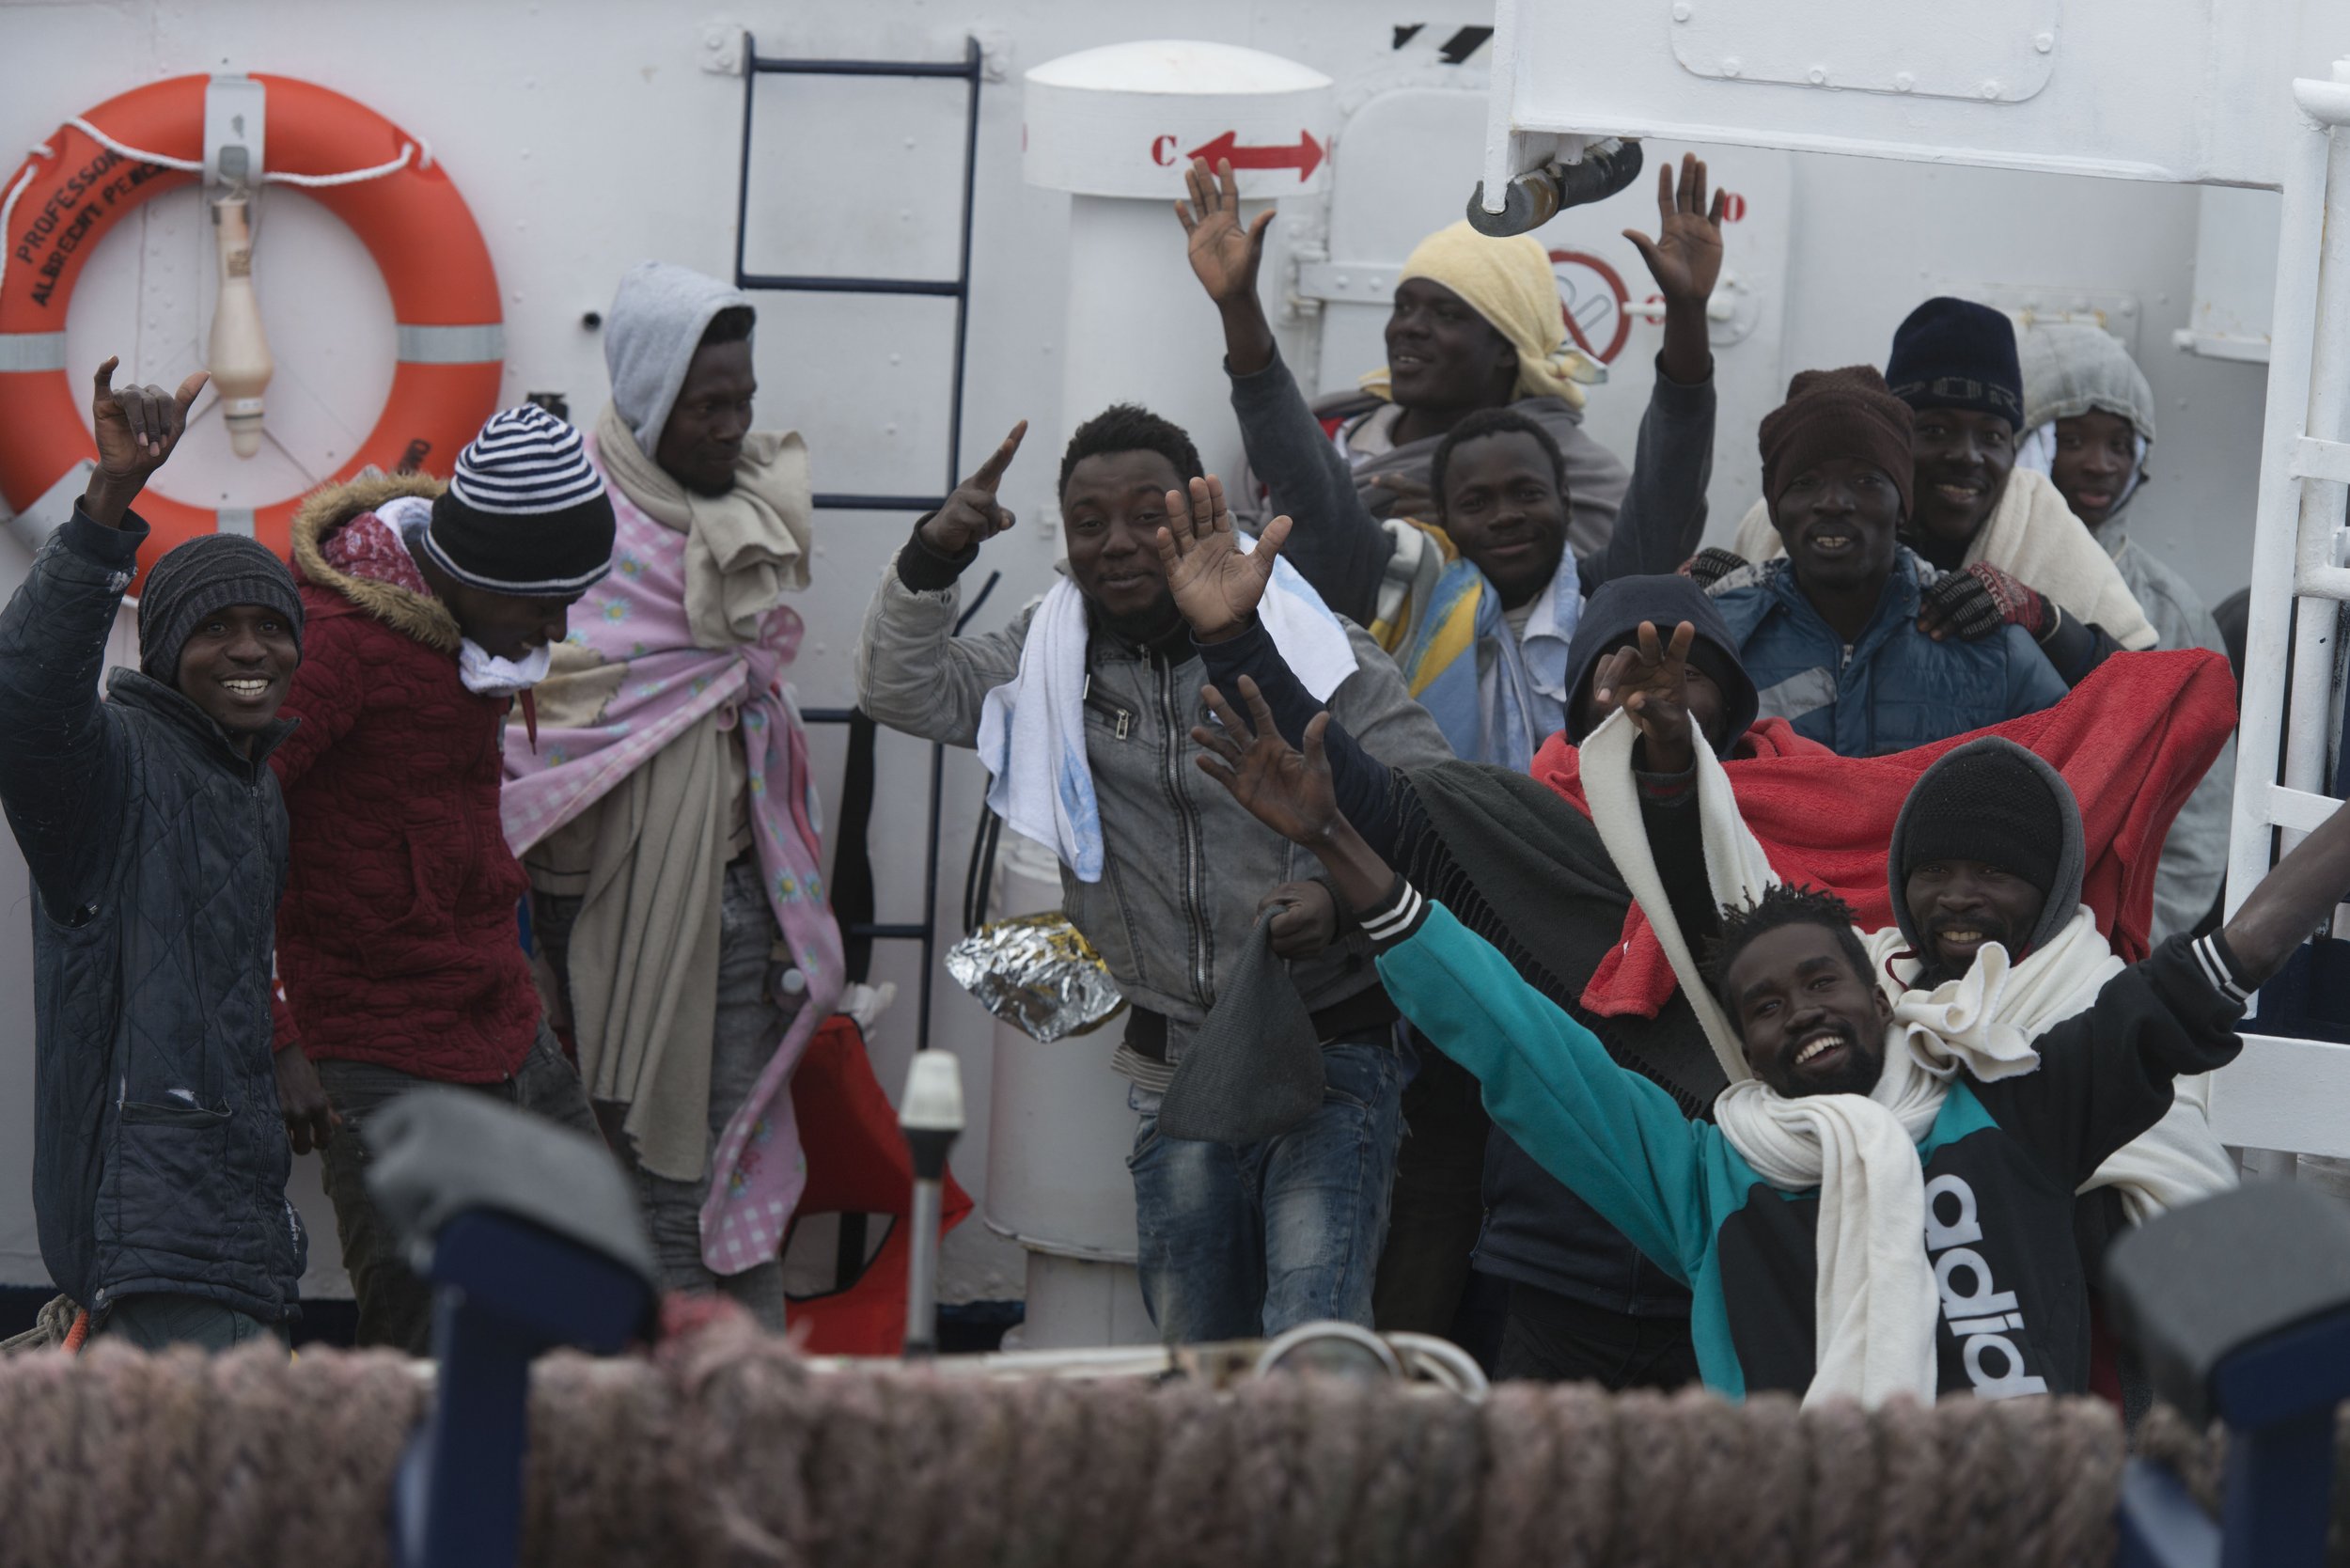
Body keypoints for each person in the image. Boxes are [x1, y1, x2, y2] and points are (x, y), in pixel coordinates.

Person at [1152, 494, 2233, 1381]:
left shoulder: (1830, 836)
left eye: (1673, 664)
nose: (1639, 686)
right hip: (1560, 1263)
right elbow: (1362, 811)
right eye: (1611, 667)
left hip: (1762, 1270)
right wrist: (1233, 638)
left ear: (1726, 691)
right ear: (1574, 695)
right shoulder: (1512, 830)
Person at [1189, 664, 2350, 1404]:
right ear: (1736, 1045)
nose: (1801, 1014)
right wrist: (1341, 841)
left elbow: (2223, 961)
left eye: (1820, 984)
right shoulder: (1704, 1181)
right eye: (1764, 1007)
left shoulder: (2016, 1107)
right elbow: (1514, 1046)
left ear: (1877, 992)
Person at [854, 408, 1452, 1343]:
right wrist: (934, 554)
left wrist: (1339, 902)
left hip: (1333, 1040)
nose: (1118, 543)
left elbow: (1429, 802)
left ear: (1201, 521)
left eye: (1148, 514)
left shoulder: (1305, 642)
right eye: (1089, 522)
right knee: (1193, 1338)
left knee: (1313, 1329)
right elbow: (901, 687)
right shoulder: (1049, 654)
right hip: (1178, 1056)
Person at [501, 264, 836, 1331]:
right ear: (648, 398)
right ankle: (698, 1428)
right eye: (708, 406)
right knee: (649, 1188)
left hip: (735, 906)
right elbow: (536, 712)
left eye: (743, 399)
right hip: (594, 912)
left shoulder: (742, 508)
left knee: (713, 1176)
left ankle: (728, 1418)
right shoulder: (569, 521)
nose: (735, 427)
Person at [1181, 152, 1720, 771]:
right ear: (1444, 522)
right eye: (1473, 503)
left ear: (1566, 501)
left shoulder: (1601, 601)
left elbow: (1668, 494)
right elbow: (1308, 492)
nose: (1505, 515)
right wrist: (1239, 306)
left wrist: (1687, 314)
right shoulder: (1389, 579)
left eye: (1528, 494)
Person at [270, 403, 618, 1353]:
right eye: (543, 602)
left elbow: (457, 819)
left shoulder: (475, 634)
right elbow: (215, 839)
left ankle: (553, 1501)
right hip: (375, 1052)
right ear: (477, 574)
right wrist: (278, 1035)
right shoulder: (331, 649)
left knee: (598, 1297)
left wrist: (518, 956)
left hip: (500, 1022)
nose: (556, 627)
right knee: (424, 1349)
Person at [0, 358, 308, 1350]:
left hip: (237, 1231)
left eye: (272, 627)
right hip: (147, 1245)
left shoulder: (253, 789)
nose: (251, 650)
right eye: (216, 629)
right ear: (166, 650)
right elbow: (26, 702)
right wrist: (108, 504)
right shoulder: (113, 771)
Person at [1716, 297, 2157, 682]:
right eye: (1935, 430)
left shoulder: (2041, 523)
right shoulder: (1797, 515)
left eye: (1992, 437)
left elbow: (2149, 692)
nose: (1967, 456)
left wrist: (2045, 620)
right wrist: (1707, 600)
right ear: (1889, 443)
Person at [1214, 206, 1632, 561]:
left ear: (1509, 349)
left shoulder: (1574, 470)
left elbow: (1595, 585)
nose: (1409, 328)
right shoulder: (1330, 425)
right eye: (1403, 306)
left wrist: (1468, 538)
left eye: (1446, 314)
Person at [1704, 365, 2070, 755]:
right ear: (1776, 510)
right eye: (1804, 482)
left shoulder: (1996, 649)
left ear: (1903, 506)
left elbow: (2078, 780)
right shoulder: (1719, 644)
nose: (1833, 503)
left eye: (1866, 481)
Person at [2017, 321, 2233, 942]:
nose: (2099, 463)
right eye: (2073, 437)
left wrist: (2121, 946)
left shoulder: (2170, 609)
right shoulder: (1973, 573)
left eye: (2119, 443)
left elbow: (2200, 815)